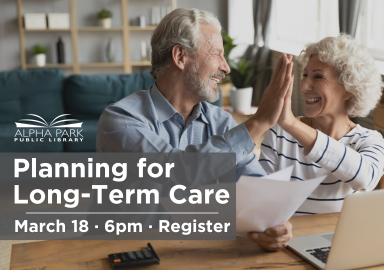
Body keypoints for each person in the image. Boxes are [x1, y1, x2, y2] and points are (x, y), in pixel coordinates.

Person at [96, 8, 293, 251]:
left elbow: (254, 188)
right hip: (126, 250)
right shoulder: (120, 119)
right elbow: (176, 172)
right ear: (180, 56)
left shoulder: (221, 122)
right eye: (217, 54)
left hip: (193, 250)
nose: (226, 67)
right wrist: (258, 122)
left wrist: (272, 222)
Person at [260, 34, 384, 215]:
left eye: (318, 77)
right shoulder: (280, 133)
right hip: (287, 239)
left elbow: (364, 178)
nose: (304, 85)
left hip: (340, 241)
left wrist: (291, 123)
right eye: (305, 75)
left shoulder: (370, 142)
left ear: (348, 89)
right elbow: (261, 199)